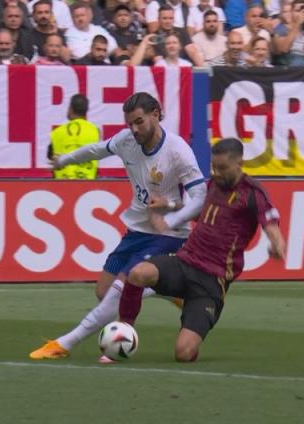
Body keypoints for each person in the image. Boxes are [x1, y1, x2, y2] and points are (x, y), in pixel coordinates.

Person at [29, 92, 206, 361]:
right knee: (103, 291)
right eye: (129, 124)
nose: (134, 129)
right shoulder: (126, 141)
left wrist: (170, 219)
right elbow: (96, 150)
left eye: (139, 122)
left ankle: (64, 344)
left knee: (120, 291)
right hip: (137, 229)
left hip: (167, 234)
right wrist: (64, 160)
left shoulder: (177, 150)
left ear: (156, 114)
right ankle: (164, 289)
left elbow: (200, 197)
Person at [118, 137, 286, 363]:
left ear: (239, 164)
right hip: (184, 262)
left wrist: (277, 244)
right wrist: (169, 206)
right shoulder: (214, 184)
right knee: (138, 273)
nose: (216, 173)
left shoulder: (252, 192)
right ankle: (122, 333)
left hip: (211, 281)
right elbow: (198, 211)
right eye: (213, 167)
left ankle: (193, 319)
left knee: (183, 354)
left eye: (222, 168)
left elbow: (270, 223)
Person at [48, 94, 101, 179]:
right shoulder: (96, 131)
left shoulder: (56, 132)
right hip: (87, 182)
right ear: (85, 111)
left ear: (71, 109)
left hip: (62, 183)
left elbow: (51, 157)